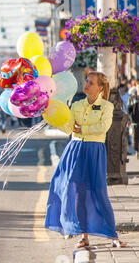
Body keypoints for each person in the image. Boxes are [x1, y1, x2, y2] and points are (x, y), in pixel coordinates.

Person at [44, 71, 127, 248]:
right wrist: (53, 116)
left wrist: (81, 129)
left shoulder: (107, 106)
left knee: (99, 192)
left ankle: (113, 236)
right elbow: (68, 127)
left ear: (100, 87)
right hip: (75, 150)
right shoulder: (76, 105)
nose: (87, 85)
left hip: (94, 150)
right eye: (86, 82)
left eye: (91, 82)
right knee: (74, 191)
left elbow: (103, 127)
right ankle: (82, 235)